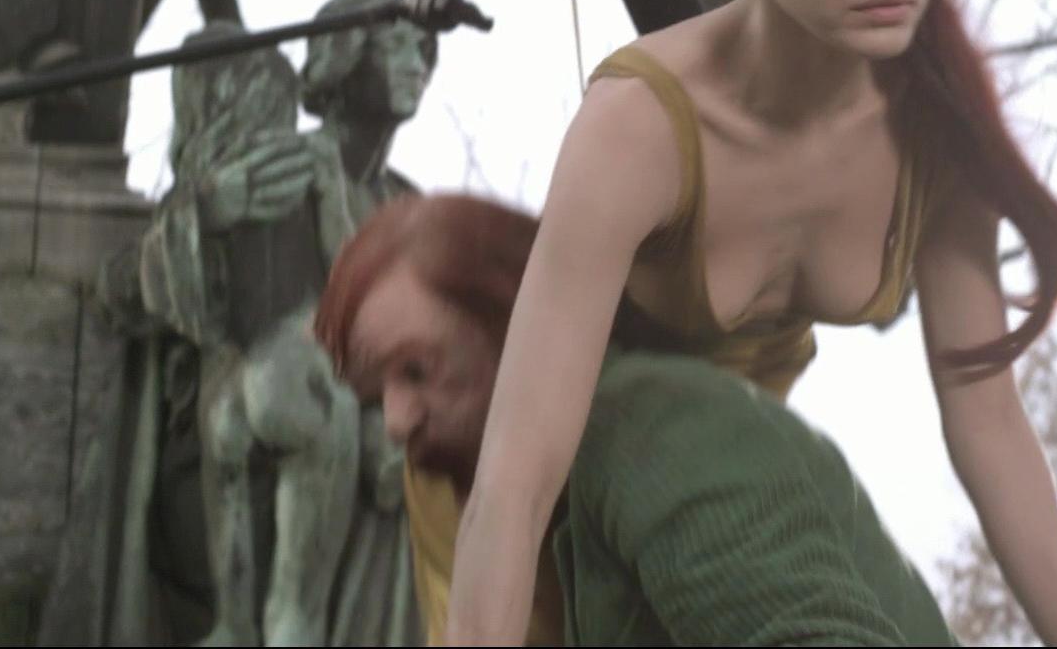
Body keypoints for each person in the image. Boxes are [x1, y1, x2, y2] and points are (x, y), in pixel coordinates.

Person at [444, 0, 1057, 646]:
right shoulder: (639, 128)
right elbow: (516, 478)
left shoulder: (932, 132)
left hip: (762, 487)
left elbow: (988, 426)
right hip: (599, 487)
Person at [315, 193, 962, 646]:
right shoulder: (568, 489)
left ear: (513, 321)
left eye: (416, 371)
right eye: (375, 397)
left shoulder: (654, 432)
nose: (396, 422)